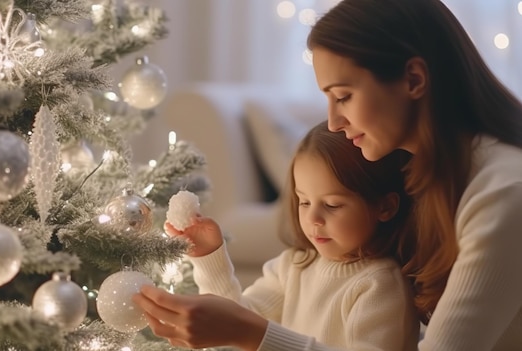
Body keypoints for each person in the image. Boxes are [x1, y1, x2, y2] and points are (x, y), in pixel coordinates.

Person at [135, 0, 522, 349]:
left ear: (414, 80)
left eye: (343, 96)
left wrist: (254, 334)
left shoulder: (504, 191)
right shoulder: (436, 179)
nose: (334, 122)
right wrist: (214, 272)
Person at [134, 122, 419, 350]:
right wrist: (210, 258)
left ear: (385, 206)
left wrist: (257, 336)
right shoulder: (294, 266)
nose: (313, 218)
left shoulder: (380, 285)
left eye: (332, 205)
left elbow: (250, 332)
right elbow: (236, 323)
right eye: (304, 201)